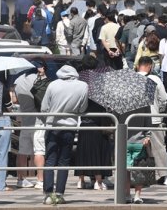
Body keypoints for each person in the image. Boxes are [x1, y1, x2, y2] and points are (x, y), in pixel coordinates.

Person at [40, 65, 89, 205]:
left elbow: (44, 108)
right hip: (69, 127)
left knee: (49, 160)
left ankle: (48, 195)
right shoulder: (83, 86)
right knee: (64, 161)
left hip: (52, 126)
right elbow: (82, 107)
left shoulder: (53, 85)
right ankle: (60, 194)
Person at [75, 57, 114, 191]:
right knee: (97, 153)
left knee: (82, 152)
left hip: (84, 122)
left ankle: (80, 180)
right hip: (98, 122)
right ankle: (98, 181)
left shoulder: (80, 82)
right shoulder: (99, 83)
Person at [14, 61, 49, 189]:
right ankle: (40, 180)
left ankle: (20, 178)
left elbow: (15, 99)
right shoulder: (38, 80)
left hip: (25, 120)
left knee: (22, 151)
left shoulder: (18, 81)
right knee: (39, 150)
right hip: (38, 120)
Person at [136, 57, 167, 185]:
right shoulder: (154, 80)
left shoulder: (131, 80)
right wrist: (159, 111)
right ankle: (166, 175)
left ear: (138, 65)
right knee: (159, 148)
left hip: (135, 120)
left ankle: (137, 175)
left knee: (136, 149)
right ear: (150, 66)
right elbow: (163, 98)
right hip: (154, 118)